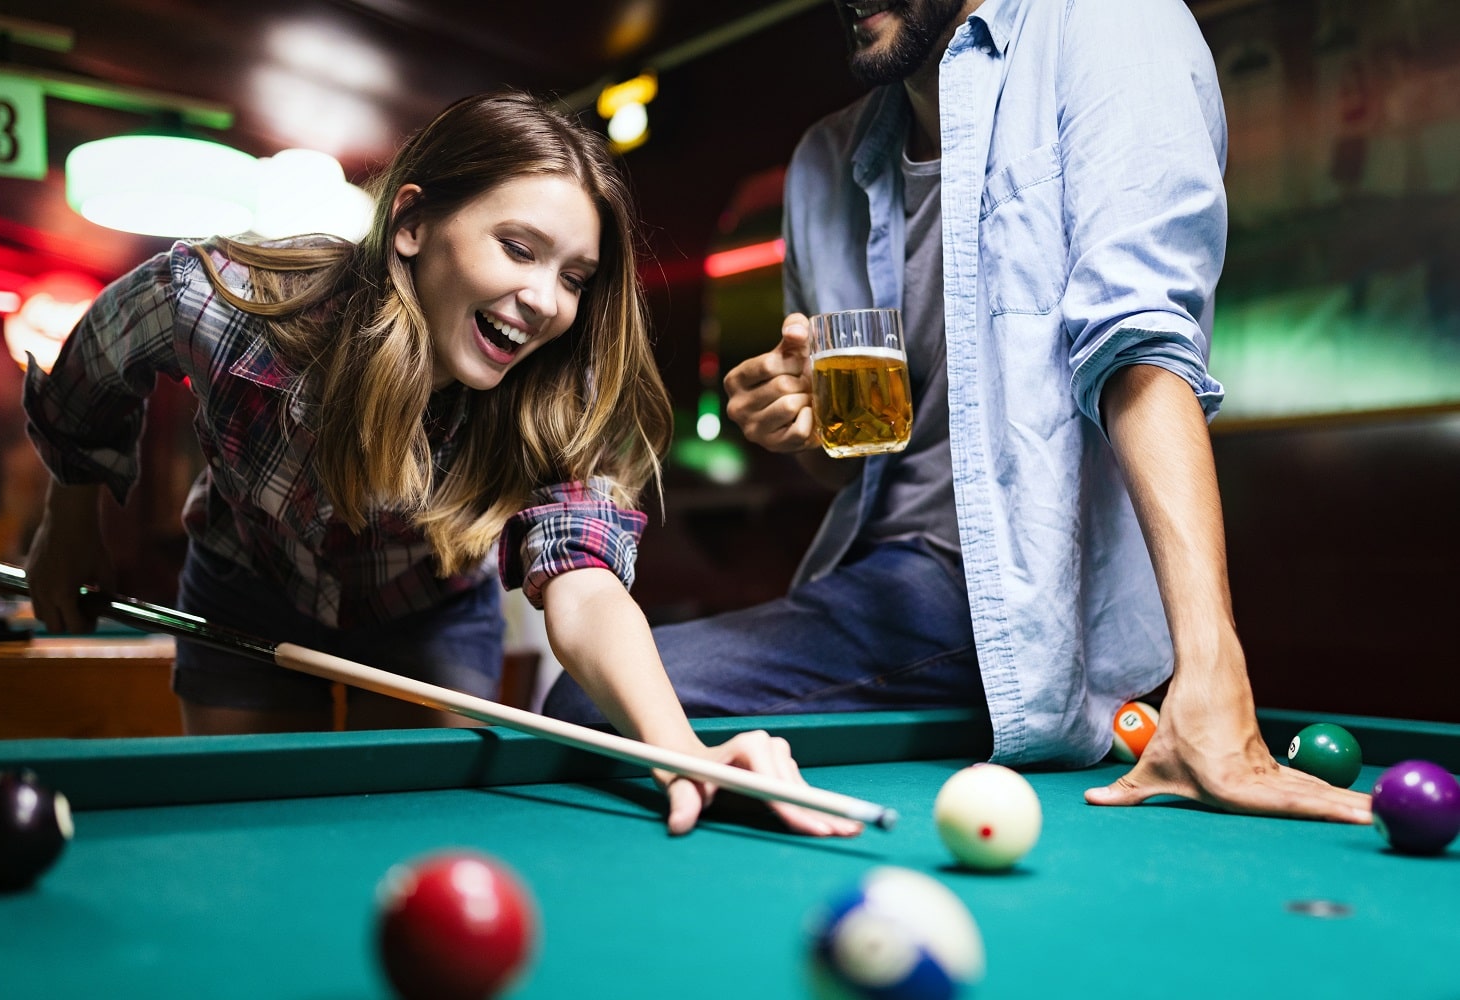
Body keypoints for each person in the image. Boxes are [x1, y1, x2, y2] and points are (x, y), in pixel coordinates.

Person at [545, 1, 1372, 824]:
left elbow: (1142, 346)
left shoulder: (1110, 22)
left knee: (588, 695)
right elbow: (848, 465)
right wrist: (797, 424)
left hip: (1012, 594)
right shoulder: (822, 161)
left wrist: (1212, 673)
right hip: (875, 580)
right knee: (598, 685)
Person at [21, 91, 858, 838]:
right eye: (518, 248)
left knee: (418, 835)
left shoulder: (559, 396)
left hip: (428, 608)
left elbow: (586, 585)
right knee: (251, 837)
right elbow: (91, 375)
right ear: (412, 224)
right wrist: (69, 525)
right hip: (248, 584)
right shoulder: (226, 304)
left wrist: (681, 753)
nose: (545, 301)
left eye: (575, 276)